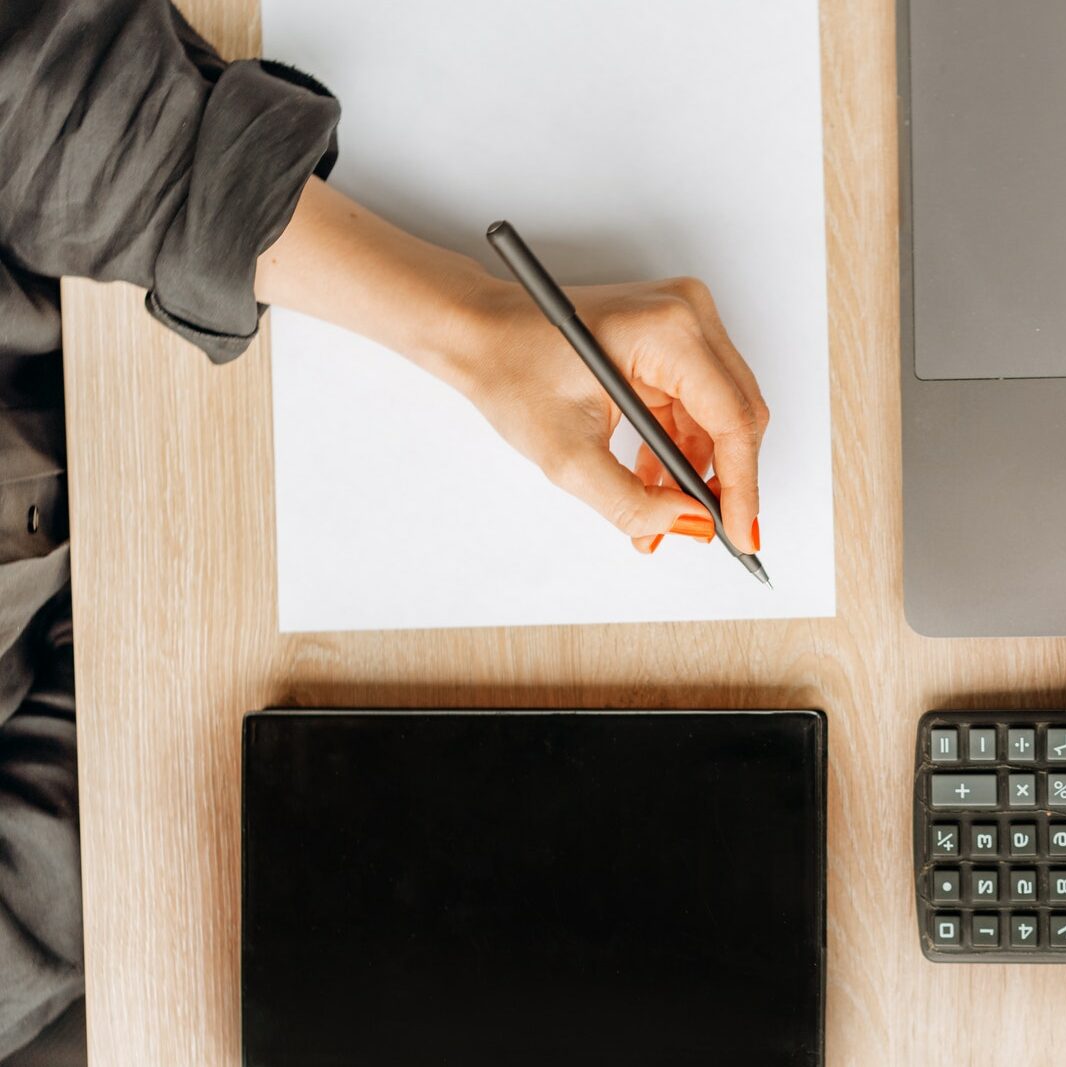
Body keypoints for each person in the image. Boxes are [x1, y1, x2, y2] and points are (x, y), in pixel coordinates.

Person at [0, 0, 768, 1058]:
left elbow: (39, 94)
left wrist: (465, 325)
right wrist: (156, 626)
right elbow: (42, 901)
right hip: (184, 622)